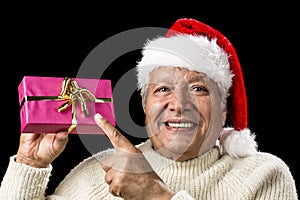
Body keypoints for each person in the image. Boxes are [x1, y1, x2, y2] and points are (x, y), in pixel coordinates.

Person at [0, 18, 298, 200]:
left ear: (223, 108)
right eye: (163, 89)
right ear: (145, 105)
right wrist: (30, 164)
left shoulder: (263, 174)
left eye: (198, 88)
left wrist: (156, 196)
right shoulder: (102, 171)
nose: (179, 104)